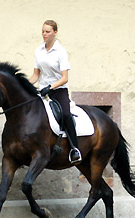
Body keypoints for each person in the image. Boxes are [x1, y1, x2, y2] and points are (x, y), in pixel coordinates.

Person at [29, 20, 82, 164]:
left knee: (65, 114)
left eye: (47, 32)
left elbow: (65, 78)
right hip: (42, 91)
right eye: (43, 31)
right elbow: (35, 75)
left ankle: (74, 149)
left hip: (58, 91)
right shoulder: (38, 51)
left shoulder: (61, 52)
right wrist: (25, 86)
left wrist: (50, 87)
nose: (44, 34)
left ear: (55, 32)